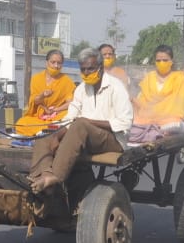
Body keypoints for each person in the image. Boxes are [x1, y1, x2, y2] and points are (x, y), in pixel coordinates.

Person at [27, 48, 133, 194]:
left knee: (80, 124)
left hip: (112, 139)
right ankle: (42, 175)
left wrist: (89, 122)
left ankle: (55, 176)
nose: (86, 73)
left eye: (90, 69)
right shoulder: (81, 89)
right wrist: (56, 133)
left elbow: (125, 123)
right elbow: (70, 119)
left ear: (100, 68)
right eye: (83, 69)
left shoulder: (116, 87)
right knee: (45, 132)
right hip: (83, 136)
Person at [13, 49, 76, 137]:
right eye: (53, 62)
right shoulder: (36, 79)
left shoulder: (67, 81)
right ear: (46, 63)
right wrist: (42, 96)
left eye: (59, 63)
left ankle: (47, 130)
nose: (56, 66)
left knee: (67, 118)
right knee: (21, 123)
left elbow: (71, 103)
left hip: (57, 116)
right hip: (39, 116)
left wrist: (56, 110)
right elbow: (35, 101)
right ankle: (48, 130)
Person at [131, 45, 184, 133]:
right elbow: (143, 102)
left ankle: (153, 130)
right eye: (158, 60)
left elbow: (181, 106)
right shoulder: (149, 77)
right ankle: (153, 129)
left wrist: (155, 112)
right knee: (133, 122)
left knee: (177, 125)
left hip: (171, 119)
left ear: (171, 61)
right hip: (148, 118)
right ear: (155, 62)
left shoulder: (180, 78)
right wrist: (133, 100)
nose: (161, 63)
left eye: (165, 60)